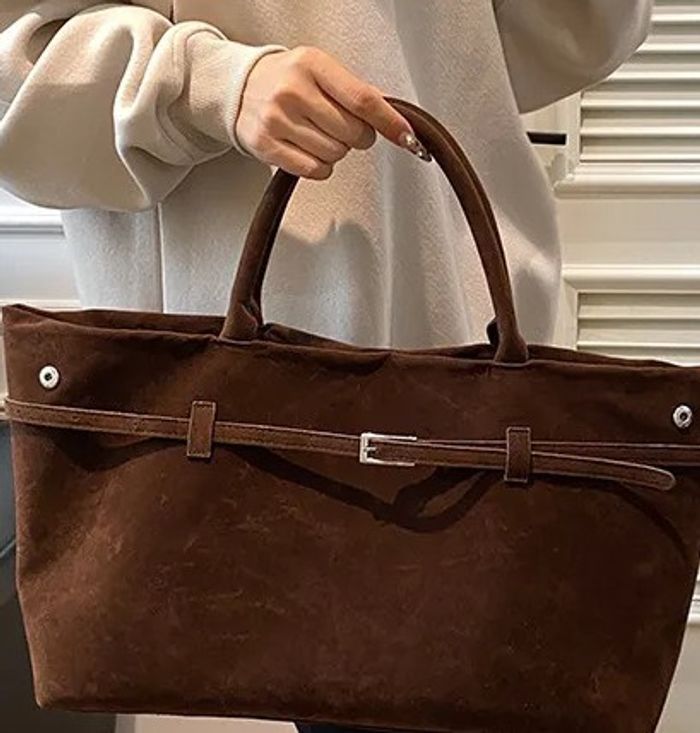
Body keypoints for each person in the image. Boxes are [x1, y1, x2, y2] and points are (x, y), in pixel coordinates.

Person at [0, 0, 652, 730]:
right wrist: (212, 83)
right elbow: (14, 65)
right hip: (239, 395)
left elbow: (564, 41)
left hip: (452, 324)